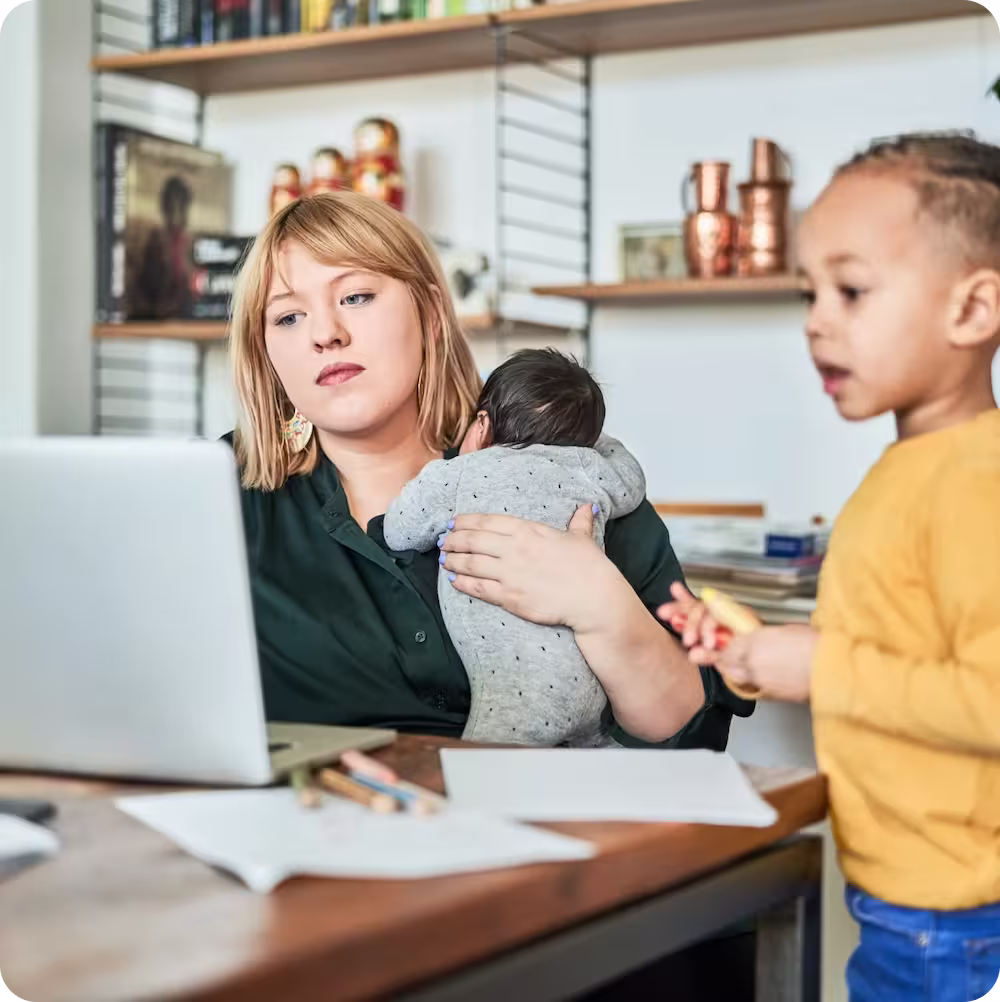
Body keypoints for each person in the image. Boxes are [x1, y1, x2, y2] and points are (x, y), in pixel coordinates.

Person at [225, 189, 752, 752]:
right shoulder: (215, 496)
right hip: (314, 823)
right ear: (266, 352)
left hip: (545, 827)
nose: (324, 333)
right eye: (288, 315)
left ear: (429, 312)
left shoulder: (564, 464)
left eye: (355, 296)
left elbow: (694, 742)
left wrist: (602, 607)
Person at [661, 133, 1000, 1002]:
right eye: (811, 291)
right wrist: (767, 650)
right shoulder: (912, 468)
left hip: (960, 923)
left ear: (974, 310)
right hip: (911, 902)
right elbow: (904, 643)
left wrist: (820, 669)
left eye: (851, 291)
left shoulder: (977, 482)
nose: (816, 319)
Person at [383, 348, 647, 747]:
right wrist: (588, 438)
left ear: (482, 425)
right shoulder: (588, 467)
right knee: (595, 755)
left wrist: (446, 467)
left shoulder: (462, 472)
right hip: (592, 682)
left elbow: (398, 531)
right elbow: (632, 481)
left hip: (516, 684)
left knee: (486, 770)